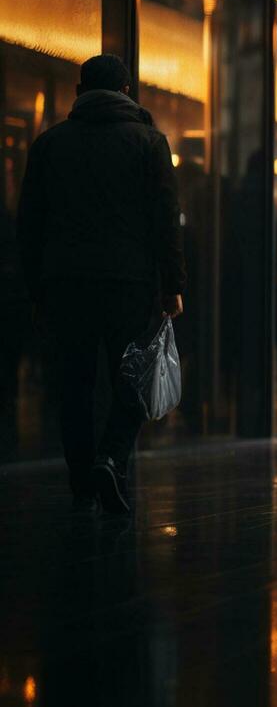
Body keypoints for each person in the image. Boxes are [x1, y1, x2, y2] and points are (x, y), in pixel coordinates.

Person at [16, 54, 185, 514]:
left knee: (74, 384)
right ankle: (111, 458)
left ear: (78, 90)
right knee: (132, 376)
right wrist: (172, 283)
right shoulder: (149, 142)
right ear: (127, 90)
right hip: (128, 280)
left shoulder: (50, 144)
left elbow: (30, 223)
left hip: (65, 281)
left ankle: (81, 484)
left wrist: (35, 288)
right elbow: (165, 221)